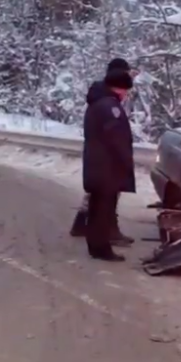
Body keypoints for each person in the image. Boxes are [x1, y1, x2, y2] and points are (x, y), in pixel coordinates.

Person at [71, 57, 135, 245]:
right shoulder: (108, 100)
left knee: (97, 194)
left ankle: (83, 225)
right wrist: (124, 157)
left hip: (99, 156)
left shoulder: (101, 93)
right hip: (106, 158)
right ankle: (106, 232)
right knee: (106, 194)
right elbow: (113, 132)